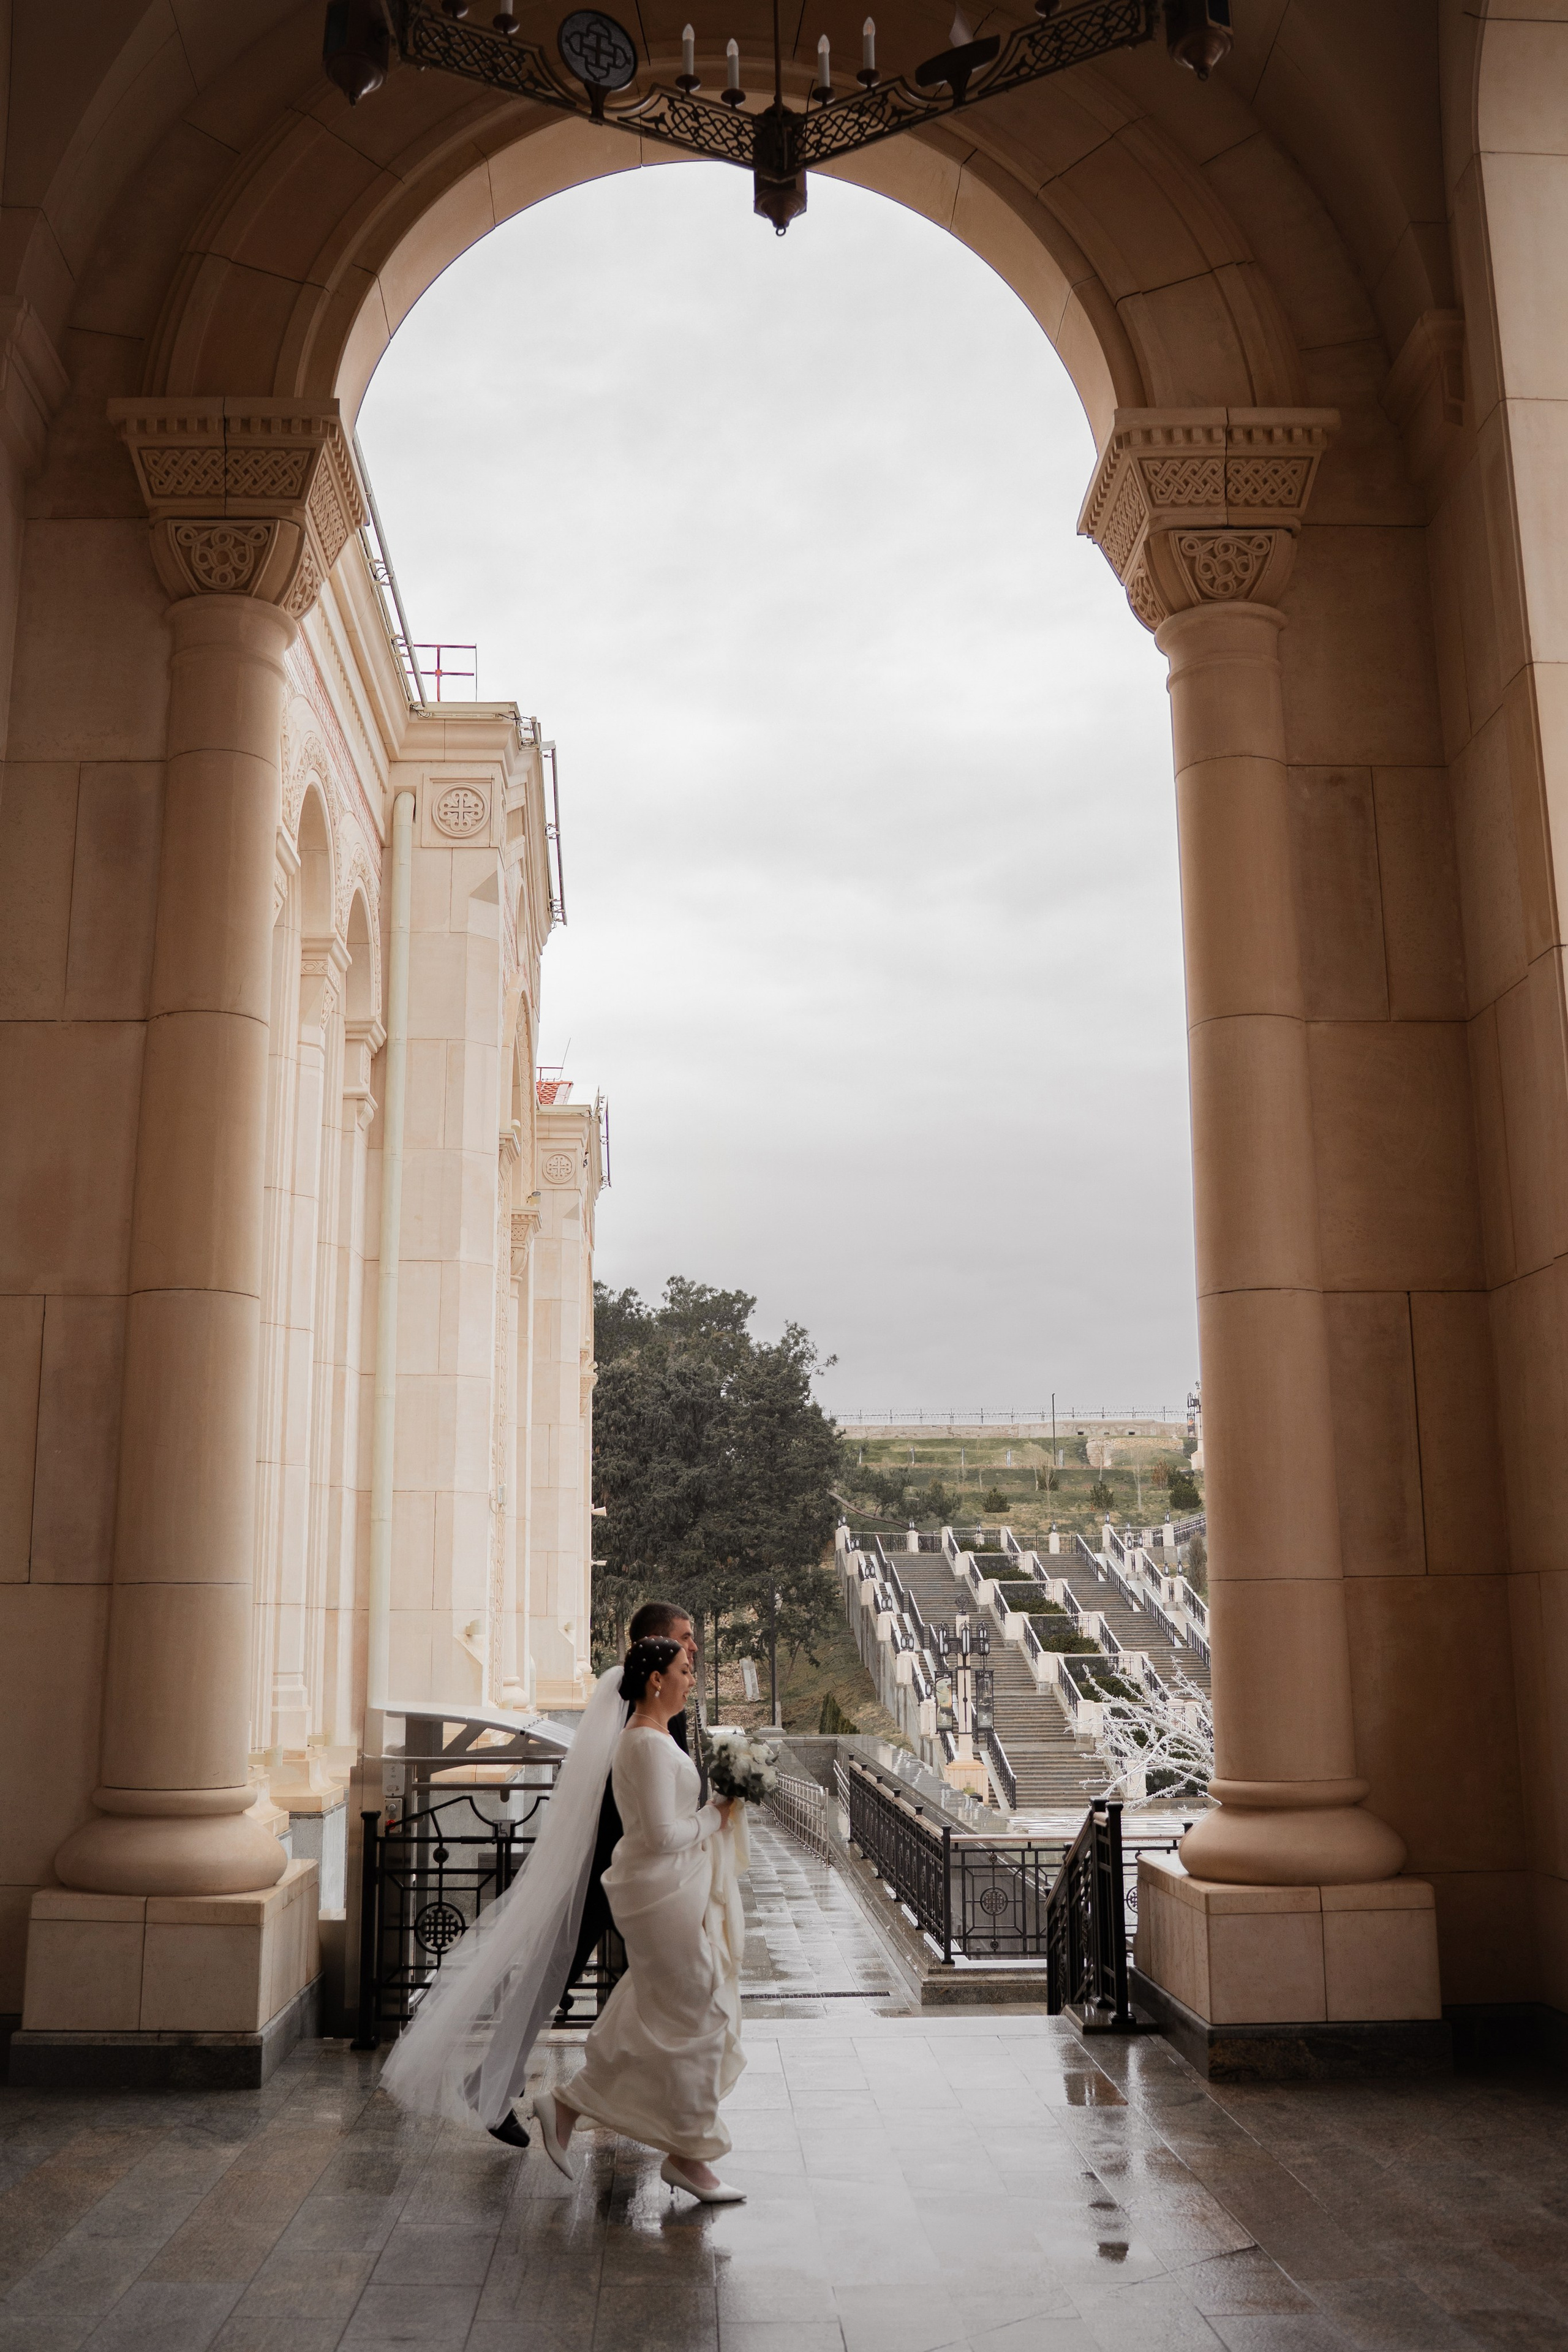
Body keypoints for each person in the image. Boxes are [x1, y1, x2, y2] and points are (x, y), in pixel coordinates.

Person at [530, 1635, 747, 2203]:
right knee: (703, 2009)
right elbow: (657, 1835)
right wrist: (716, 1816)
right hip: (660, 1894)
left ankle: (572, 2106)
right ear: (656, 1680)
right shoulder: (647, 1746)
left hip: (670, 1889)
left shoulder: (651, 1739)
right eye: (683, 1669)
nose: (690, 1679)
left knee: (654, 2007)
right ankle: (688, 2156)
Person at [560, 1600, 701, 2008]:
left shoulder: (651, 1707)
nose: (692, 1649)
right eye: (684, 1639)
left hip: (634, 1857)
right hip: (631, 1857)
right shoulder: (648, 1721)